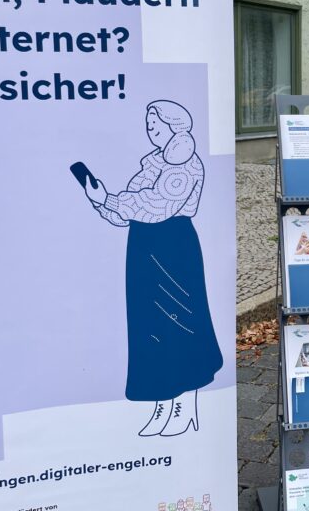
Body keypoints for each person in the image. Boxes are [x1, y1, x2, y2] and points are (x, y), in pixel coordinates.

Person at [82, 100, 223, 437]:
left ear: (175, 125)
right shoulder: (154, 162)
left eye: (156, 125)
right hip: (145, 246)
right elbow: (132, 207)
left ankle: (184, 406)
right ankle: (162, 402)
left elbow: (156, 206)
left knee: (180, 322)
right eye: (149, 125)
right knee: (150, 325)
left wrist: (113, 200)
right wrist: (102, 200)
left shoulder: (183, 163)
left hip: (172, 247)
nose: (151, 131)